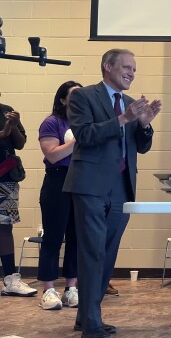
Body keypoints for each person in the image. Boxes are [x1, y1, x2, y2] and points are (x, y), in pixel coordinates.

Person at [64, 48, 161, 338]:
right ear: (108, 66)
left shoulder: (131, 104)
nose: (132, 73)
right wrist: (122, 119)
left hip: (121, 186)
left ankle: (86, 315)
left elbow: (141, 147)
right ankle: (92, 323)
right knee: (92, 252)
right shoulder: (83, 96)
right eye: (127, 67)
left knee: (107, 254)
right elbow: (85, 135)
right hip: (90, 184)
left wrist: (143, 125)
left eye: (134, 69)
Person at [37, 81, 82, 310]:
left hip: (80, 181)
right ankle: (48, 289)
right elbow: (53, 155)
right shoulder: (52, 122)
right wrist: (77, 139)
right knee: (53, 237)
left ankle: (71, 288)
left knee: (77, 237)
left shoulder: (85, 122)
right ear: (63, 99)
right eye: (73, 96)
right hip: (57, 179)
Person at [0, 100, 35, 297]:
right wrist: (3, 133)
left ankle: (11, 280)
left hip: (5, 178)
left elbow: (20, 144)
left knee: (5, 226)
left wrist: (13, 126)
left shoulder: (6, 111)